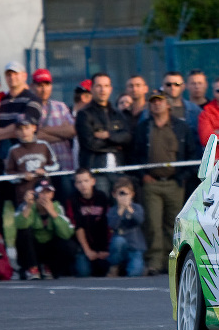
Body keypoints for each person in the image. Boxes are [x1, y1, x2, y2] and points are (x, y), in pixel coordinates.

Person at [133, 89, 200, 276]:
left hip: (174, 183)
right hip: (151, 183)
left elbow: (191, 153)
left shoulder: (181, 127)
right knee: (153, 224)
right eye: (153, 101)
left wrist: (182, 176)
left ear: (168, 104)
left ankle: (174, 262)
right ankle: (155, 262)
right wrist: (143, 175)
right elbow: (135, 154)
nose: (156, 104)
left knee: (174, 224)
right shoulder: (143, 127)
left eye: (160, 101)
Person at [75, 72, 132, 195]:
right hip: (96, 171)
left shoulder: (118, 114)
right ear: (92, 89)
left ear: (111, 89)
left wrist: (108, 135)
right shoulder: (84, 114)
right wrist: (115, 144)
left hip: (119, 169)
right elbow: (89, 143)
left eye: (106, 86)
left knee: (121, 204)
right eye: (99, 86)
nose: (102, 90)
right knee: (103, 202)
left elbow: (127, 137)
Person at [15, 177, 75, 280]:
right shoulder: (27, 206)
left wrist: (53, 213)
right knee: (24, 233)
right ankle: (32, 268)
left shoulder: (57, 207)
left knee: (69, 245)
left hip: (50, 248)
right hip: (33, 249)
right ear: (35, 194)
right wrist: (28, 207)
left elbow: (67, 233)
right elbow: (20, 226)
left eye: (48, 192)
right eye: (41, 193)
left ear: (52, 194)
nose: (45, 196)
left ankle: (51, 267)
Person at [32, 68, 77, 188]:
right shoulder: (30, 108)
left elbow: (72, 131)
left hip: (65, 164)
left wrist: (44, 130)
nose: (44, 89)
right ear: (33, 86)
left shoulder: (61, 106)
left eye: (47, 85)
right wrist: (61, 133)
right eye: (40, 85)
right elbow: (34, 136)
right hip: (42, 168)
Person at [5, 114, 59, 205]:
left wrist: (44, 169)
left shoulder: (43, 145)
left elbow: (56, 165)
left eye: (27, 128)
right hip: (24, 195)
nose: (24, 132)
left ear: (34, 128)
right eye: (20, 129)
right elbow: (7, 173)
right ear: (16, 131)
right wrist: (21, 176)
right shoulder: (13, 150)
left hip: (44, 193)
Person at [67, 168, 111, 278]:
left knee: (102, 270)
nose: (83, 185)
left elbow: (108, 224)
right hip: (83, 247)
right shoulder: (72, 200)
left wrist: (106, 249)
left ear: (93, 181)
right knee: (84, 272)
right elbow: (77, 227)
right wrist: (87, 251)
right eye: (79, 182)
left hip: (102, 245)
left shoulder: (102, 197)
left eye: (86, 181)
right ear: (75, 185)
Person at [107, 176, 146, 277]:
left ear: (132, 194)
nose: (123, 197)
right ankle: (115, 265)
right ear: (114, 195)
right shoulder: (113, 210)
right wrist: (120, 210)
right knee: (118, 241)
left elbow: (139, 220)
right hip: (119, 246)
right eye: (121, 194)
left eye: (126, 194)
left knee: (135, 273)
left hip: (135, 246)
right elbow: (113, 225)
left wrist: (129, 208)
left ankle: (138, 266)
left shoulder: (137, 208)